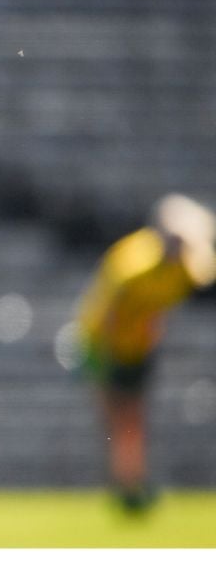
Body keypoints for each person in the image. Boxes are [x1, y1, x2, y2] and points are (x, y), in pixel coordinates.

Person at [73, 192, 216, 513]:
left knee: (132, 419)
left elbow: (162, 303)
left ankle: (130, 483)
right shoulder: (132, 265)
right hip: (107, 345)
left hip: (137, 347)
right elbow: (104, 314)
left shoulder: (187, 265)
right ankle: (127, 484)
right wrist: (102, 354)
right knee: (119, 418)